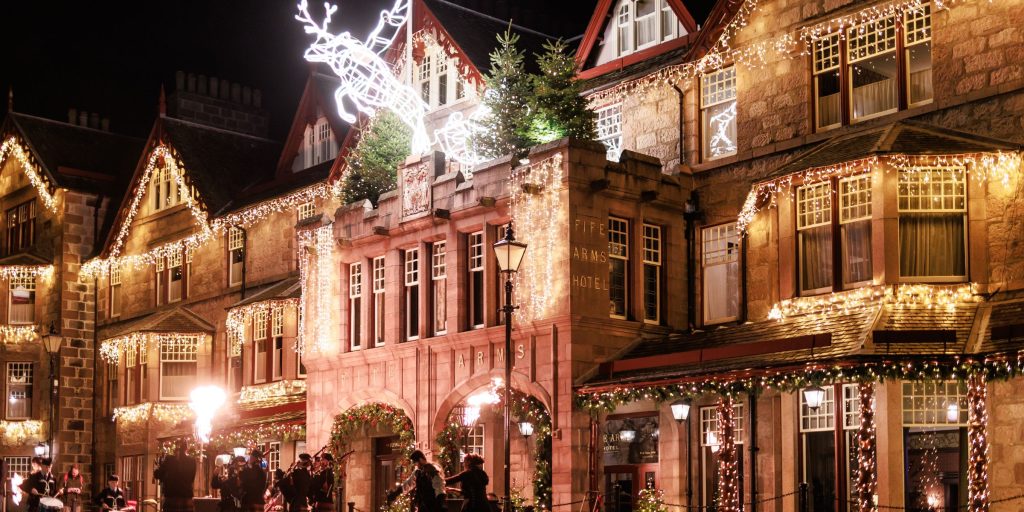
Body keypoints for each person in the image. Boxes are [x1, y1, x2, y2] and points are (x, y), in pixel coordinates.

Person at [154, 442, 198, 512]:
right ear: (186, 449)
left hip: (171, 497)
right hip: (186, 496)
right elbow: (192, 479)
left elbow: (158, 474)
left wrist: (157, 468)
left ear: (174, 449)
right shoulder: (192, 461)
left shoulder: (169, 459)